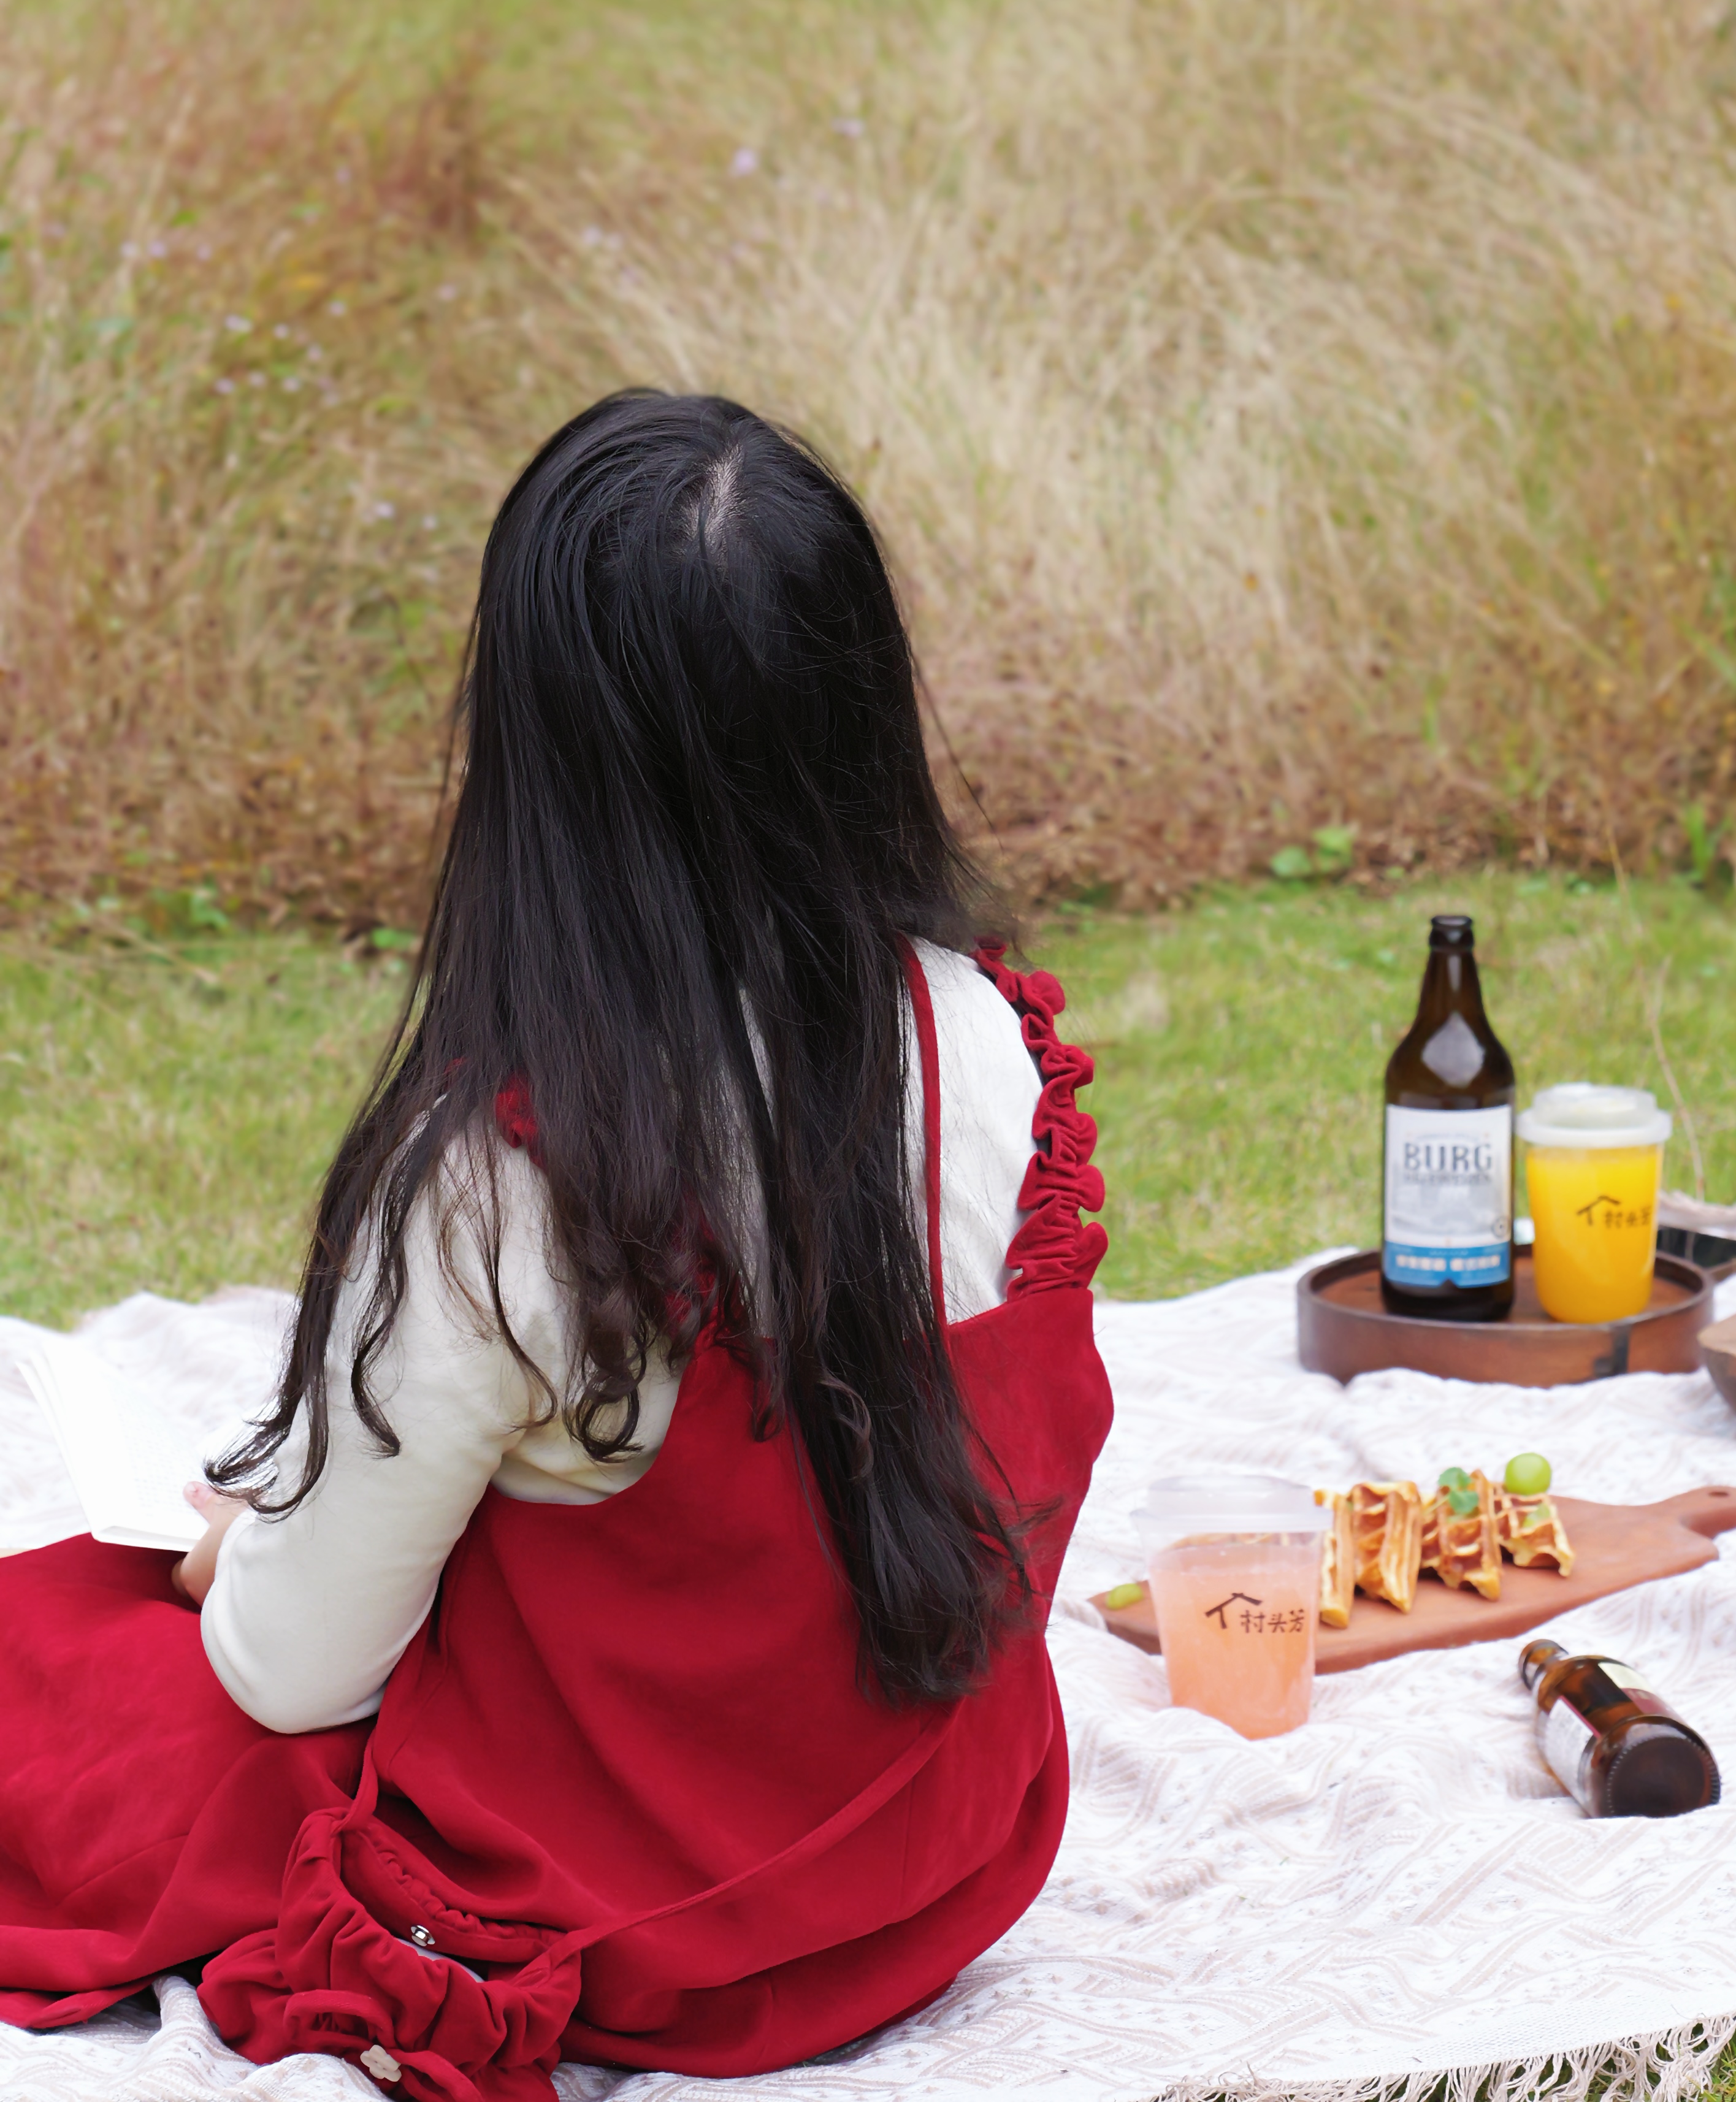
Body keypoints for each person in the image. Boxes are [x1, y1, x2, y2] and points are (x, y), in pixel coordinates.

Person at [0, 393, 1109, 2101]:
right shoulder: (987, 1040)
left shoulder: (510, 1179)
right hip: (927, 1874)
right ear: (860, 707)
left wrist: (241, 1559)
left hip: (630, 1932)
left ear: (536, 754)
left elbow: (298, 1679)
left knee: (62, 1666)